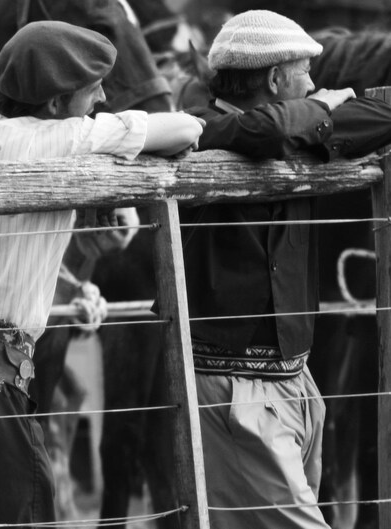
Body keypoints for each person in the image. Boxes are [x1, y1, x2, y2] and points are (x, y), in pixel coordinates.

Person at [0, 20, 203, 528]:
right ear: (54, 104)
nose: (101, 99)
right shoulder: (69, 137)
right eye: (92, 91)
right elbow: (185, 128)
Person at [180, 9, 391, 528]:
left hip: (295, 385)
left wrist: (318, 114)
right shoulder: (197, 130)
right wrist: (320, 110)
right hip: (233, 392)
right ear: (276, 80)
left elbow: (383, 112)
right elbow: (261, 132)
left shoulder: (299, 128)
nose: (316, 84)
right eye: (304, 74)